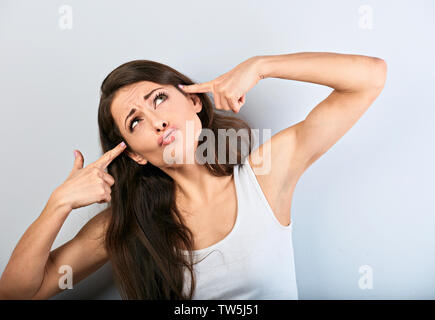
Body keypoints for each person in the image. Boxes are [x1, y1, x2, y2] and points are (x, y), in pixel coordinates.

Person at [0, 53, 387, 300]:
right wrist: (59, 204)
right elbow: (17, 292)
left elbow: (369, 77)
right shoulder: (130, 225)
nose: (157, 121)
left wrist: (261, 66)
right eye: (136, 122)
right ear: (134, 153)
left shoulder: (264, 178)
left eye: (159, 99)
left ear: (194, 101)